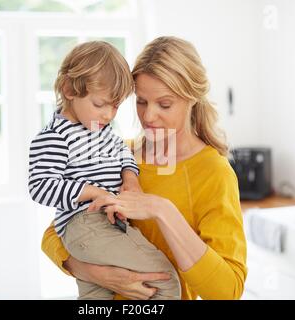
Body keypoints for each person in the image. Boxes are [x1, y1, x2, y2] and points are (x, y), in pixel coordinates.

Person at [41, 36, 248, 300]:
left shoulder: (213, 172)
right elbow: (55, 232)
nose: (148, 116)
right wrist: (94, 273)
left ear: (192, 99)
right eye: (141, 101)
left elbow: (227, 291)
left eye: (164, 104)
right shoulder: (119, 154)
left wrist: (161, 210)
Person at [28, 41, 181, 300]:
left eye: (116, 106)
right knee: (165, 281)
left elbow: (123, 153)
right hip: (87, 224)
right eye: (101, 104)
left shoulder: (101, 130)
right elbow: (40, 187)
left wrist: (130, 177)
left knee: (97, 300)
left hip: (107, 224)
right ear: (69, 90)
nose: (109, 114)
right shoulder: (55, 137)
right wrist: (92, 192)